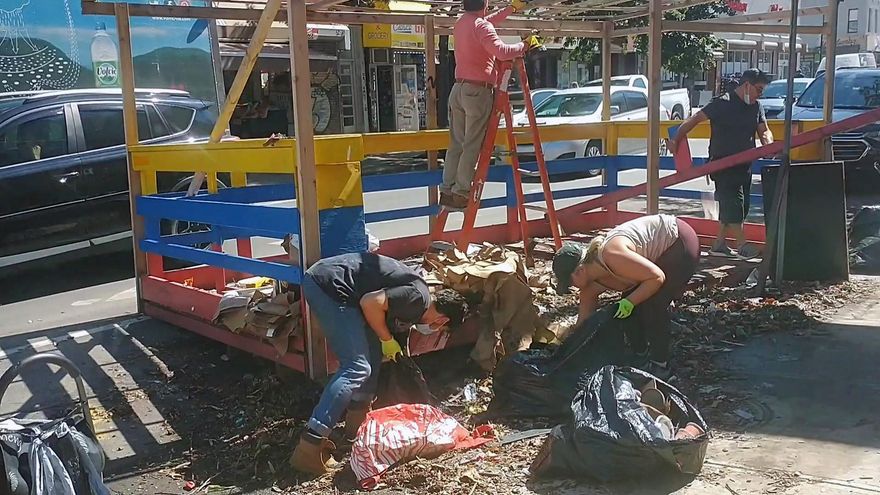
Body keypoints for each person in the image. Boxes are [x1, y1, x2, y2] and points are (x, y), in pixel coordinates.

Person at [289, 252, 468, 474]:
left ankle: (355, 431)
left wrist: (388, 342)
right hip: (330, 286)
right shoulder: (418, 299)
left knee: (372, 358)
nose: (435, 331)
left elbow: (377, 311)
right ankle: (310, 445)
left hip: (343, 289)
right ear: (443, 320)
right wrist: (386, 339)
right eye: (441, 329)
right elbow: (370, 302)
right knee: (356, 367)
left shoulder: (417, 301)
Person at [551, 214, 700, 377]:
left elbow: (657, 277)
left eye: (570, 282)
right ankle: (640, 355)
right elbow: (584, 321)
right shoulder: (590, 284)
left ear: (580, 271)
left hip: (678, 242)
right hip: (650, 264)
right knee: (627, 310)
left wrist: (629, 302)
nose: (571, 287)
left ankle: (660, 364)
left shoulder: (612, 255)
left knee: (652, 305)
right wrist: (569, 350)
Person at [441, 0, 540, 210]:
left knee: (457, 143)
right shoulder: (481, 25)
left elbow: (485, 22)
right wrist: (526, 44)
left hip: (458, 89)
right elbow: (502, 51)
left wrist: (510, 10)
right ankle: (461, 193)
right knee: (472, 145)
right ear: (485, 3)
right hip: (478, 91)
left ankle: (448, 190)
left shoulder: (462, 22)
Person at [669, 68, 774, 259]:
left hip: (744, 164)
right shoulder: (721, 103)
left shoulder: (756, 107)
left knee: (741, 206)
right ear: (747, 85)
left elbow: (764, 130)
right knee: (733, 203)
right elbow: (694, 119)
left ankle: (719, 244)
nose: (761, 93)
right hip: (721, 163)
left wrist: (769, 143)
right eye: (759, 89)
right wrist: (677, 139)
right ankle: (742, 245)